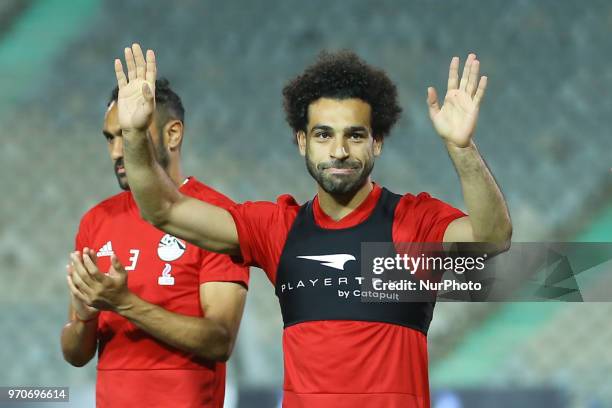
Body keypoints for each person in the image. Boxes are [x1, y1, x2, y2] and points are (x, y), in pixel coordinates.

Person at [115, 43, 512, 407]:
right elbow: (163, 210)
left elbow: (492, 237)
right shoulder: (277, 228)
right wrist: (134, 134)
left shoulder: (414, 221)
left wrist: (462, 148)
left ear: (377, 142)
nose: (339, 151)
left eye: (355, 136)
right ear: (302, 141)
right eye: (324, 135)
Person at [60, 79, 249, 408]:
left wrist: (124, 303)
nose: (118, 151)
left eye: (131, 133)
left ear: (172, 134)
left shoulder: (218, 217)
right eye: (111, 138)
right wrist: (84, 318)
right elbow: (76, 354)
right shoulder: (97, 220)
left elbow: (220, 340)